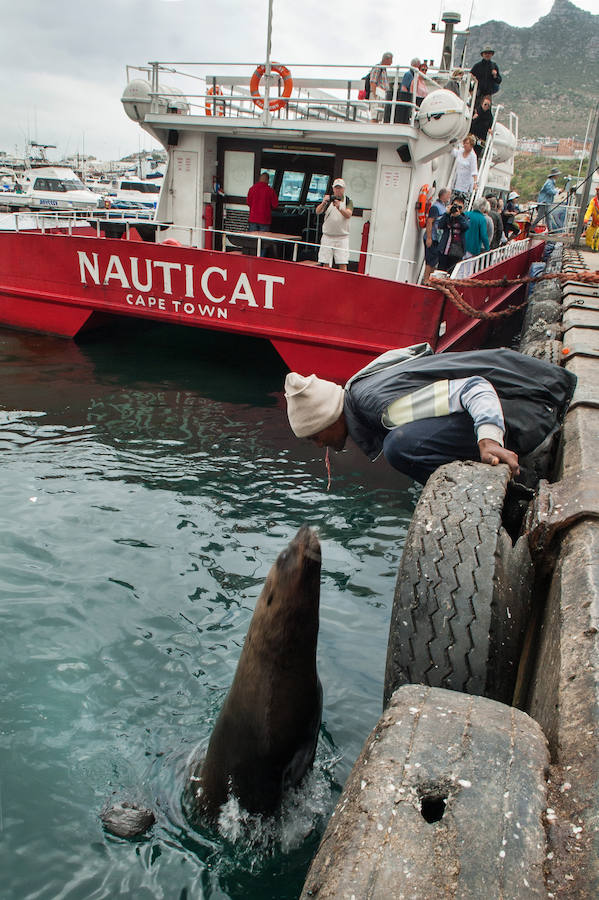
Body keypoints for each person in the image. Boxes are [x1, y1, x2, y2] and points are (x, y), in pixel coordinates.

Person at [283, 345, 576, 486]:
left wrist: (488, 439)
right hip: (533, 393)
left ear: (327, 419)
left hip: (535, 410)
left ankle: (523, 487)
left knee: (400, 446)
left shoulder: (381, 409)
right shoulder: (364, 384)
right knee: (403, 442)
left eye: (315, 436)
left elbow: (475, 387)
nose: (319, 445)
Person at [315, 178, 353, 271]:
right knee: (326, 262)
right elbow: (318, 211)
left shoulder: (348, 201)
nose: (338, 190)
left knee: (342, 262)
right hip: (327, 236)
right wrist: (324, 202)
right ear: (333, 189)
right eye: (336, 188)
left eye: (340, 188)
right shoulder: (328, 201)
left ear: (344, 189)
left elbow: (348, 214)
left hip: (342, 237)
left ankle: (342, 281)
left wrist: (339, 207)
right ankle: (325, 280)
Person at [423, 188, 450, 283]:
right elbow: (430, 221)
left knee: (434, 260)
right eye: (448, 195)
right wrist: (429, 238)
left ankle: (430, 279)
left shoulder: (443, 207)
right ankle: (426, 279)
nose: (449, 197)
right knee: (430, 260)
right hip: (433, 237)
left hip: (438, 238)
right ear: (443, 195)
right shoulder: (436, 207)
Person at [436, 197, 469, 271]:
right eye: (455, 205)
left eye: (460, 207)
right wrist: (447, 214)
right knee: (440, 270)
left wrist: (458, 216)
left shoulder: (464, 218)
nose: (457, 209)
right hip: (445, 248)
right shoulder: (448, 216)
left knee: (451, 272)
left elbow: (466, 226)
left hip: (457, 251)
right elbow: (440, 225)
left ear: (463, 208)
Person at [396, 58, 428, 123]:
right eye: (422, 69)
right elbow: (404, 88)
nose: (424, 71)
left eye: (426, 70)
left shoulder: (422, 81)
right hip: (413, 100)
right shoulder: (410, 75)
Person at [369, 52, 393, 122]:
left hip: (382, 95)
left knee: (379, 116)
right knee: (375, 115)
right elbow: (373, 82)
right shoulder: (378, 68)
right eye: (391, 60)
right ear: (387, 59)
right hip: (377, 94)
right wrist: (375, 95)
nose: (391, 62)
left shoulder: (383, 70)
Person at [583, 184, 599, 251]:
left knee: (597, 234)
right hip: (594, 222)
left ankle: (595, 248)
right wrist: (586, 219)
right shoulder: (593, 201)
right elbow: (589, 210)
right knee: (589, 234)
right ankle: (589, 246)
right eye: (597, 192)